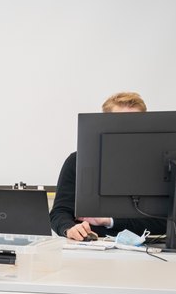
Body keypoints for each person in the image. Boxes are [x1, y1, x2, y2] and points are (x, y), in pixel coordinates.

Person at [49, 91, 167, 240]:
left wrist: (109, 221)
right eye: (121, 124)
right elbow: (59, 212)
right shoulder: (77, 161)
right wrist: (69, 228)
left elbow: (166, 221)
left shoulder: (159, 164)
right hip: (91, 245)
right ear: (105, 125)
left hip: (147, 247)